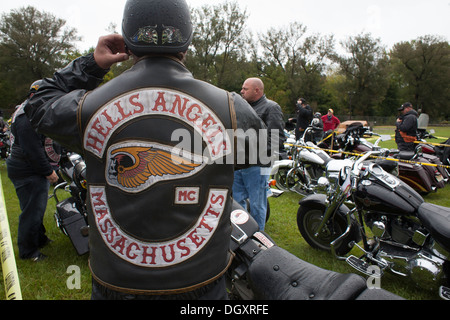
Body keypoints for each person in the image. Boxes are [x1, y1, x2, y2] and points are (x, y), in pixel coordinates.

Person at [24, 0, 267, 300]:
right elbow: (257, 154)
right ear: (187, 44)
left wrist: (92, 64)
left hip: (116, 283)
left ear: (127, 44)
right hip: (201, 284)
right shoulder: (232, 108)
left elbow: (37, 105)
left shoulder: (88, 107)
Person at [6, 81, 59, 262]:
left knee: (34, 207)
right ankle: (29, 252)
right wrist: (47, 171)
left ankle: (39, 238)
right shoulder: (26, 116)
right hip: (27, 170)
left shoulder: (25, 110)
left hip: (23, 167)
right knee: (32, 211)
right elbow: (32, 150)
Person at [237, 77, 285, 230]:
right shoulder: (243, 107)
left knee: (257, 204)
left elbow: (277, 138)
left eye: (245, 89)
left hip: (258, 164)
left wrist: (254, 152)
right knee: (237, 202)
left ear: (256, 90)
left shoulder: (271, 108)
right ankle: (240, 234)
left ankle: (258, 238)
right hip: (238, 163)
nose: (241, 91)